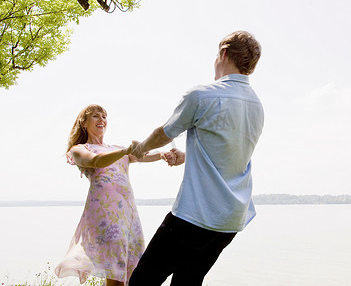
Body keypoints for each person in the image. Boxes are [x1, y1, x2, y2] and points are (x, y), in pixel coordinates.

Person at [128, 31, 264, 286]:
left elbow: (164, 133)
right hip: (230, 219)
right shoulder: (257, 104)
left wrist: (140, 149)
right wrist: (187, 156)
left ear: (223, 53)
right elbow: (228, 150)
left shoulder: (202, 95)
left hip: (197, 213)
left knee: (143, 280)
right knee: (188, 281)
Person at [55, 104, 175, 286]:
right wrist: (126, 151)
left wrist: (163, 154)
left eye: (104, 116)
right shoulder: (79, 148)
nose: (101, 119)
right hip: (105, 213)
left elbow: (142, 155)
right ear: (84, 123)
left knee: (130, 272)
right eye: (96, 116)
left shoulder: (116, 147)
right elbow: (95, 161)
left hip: (128, 213)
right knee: (116, 271)